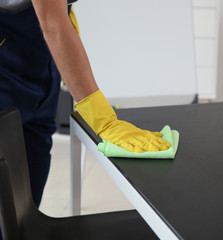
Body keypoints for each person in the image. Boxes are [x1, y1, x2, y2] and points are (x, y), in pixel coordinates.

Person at [0, 0, 170, 215]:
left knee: (25, 209)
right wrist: (102, 119)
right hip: (5, 74)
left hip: (41, 74)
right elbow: (53, 23)